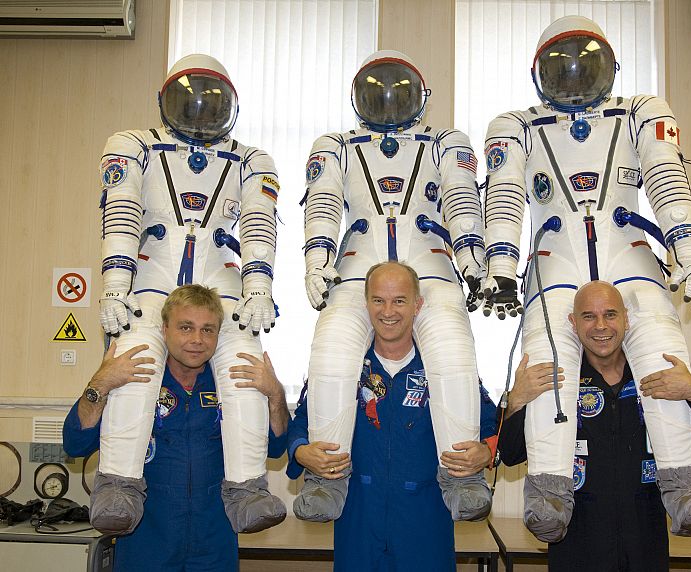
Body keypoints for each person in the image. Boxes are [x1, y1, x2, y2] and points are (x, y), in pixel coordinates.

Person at [481, 14, 691, 541]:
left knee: (661, 354)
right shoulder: (516, 125)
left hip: (628, 252)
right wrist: (499, 266)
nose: (571, 77)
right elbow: (503, 196)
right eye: (559, 66)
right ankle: (548, 494)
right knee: (548, 372)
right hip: (556, 259)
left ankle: (685, 489)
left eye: (583, 64)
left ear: (611, 65)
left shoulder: (640, 111)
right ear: (538, 72)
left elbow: (666, 178)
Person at [93, 53, 284, 534]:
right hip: (151, 278)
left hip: (220, 284)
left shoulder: (252, 157)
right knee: (135, 366)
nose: (199, 112)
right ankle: (119, 484)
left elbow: (260, 225)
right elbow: (122, 211)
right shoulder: (133, 145)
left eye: (211, 101)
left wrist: (259, 286)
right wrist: (115, 286)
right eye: (189, 99)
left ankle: (247, 489)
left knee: (245, 373)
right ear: (165, 99)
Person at [297, 50, 490, 522]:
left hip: (431, 272)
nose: (385, 100)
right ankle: (327, 476)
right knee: (330, 356)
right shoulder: (335, 144)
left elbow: (463, 201)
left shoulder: (445, 141)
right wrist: (316, 260)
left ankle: (463, 475)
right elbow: (322, 204)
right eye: (375, 90)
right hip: (357, 275)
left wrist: (474, 261)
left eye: (397, 90)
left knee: (453, 355)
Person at [497, 281, 691, 571]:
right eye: (588, 316)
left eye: (610, 314)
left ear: (626, 319)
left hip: (645, 542)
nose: (601, 326)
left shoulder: (661, 375)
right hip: (576, 545)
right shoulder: (553, 381)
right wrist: (516, 399)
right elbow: (510, 455)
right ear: (573, 322)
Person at [63, 284, 290, 572]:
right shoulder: (132, 380)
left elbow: (276, 448)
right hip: (146, 544)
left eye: (208, 330)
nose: (197, 339)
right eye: (186, 327)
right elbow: (75, 444)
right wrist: (99, 385)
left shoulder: (234, 386)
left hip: (213, 547)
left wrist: (275, 395)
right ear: (164, 329)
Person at [288, 262, 498, 571]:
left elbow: (490, 424)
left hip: (426, 524)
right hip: (358, 521)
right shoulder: (342, 368)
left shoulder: (445, 367)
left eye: (399, 300)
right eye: (378, 300)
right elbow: (301, 423)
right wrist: (302, 451)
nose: (389, 311)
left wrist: (487, 451)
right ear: (366, 303)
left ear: (418, 304)